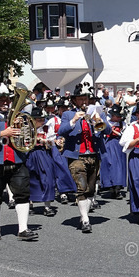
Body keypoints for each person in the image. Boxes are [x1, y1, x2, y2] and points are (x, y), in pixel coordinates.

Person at [0, 84, 38, 241]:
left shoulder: (20, 115)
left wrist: (23, 128)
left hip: (17, 160)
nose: (5, 101)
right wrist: (3, 133)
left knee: (22, 194)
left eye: (7, 99)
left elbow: (29, 134)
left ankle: (23, 229)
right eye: (1, 99)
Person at [58, 86, 102, 232]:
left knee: (90, 189)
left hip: (93, 155)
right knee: (81, 188)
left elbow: (106, 130)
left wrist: (98, 120)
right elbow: (61, 131)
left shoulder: (93, 113)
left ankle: (84, 216)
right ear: (74, 101)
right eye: (81, 99)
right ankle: (85, 219)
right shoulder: (68, 114)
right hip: (77, 156)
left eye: (85, 98)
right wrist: (74, 120)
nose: (84, 101)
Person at [25, 105, 58, 218]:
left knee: (48, 178)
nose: (42, 122)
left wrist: (44, 141)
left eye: (43, 119)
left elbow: (53, 143)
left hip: (43, 153)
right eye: (39, 120)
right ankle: (30, 204)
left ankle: (47, 206)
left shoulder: (46, 128)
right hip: (30, 154)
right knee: (30, 178)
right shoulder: (26, 129)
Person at [100, 105, 128, 199]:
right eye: (117, 116)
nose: (119, 118)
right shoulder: (106, 122)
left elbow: (123, 135)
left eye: (120, 116)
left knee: (118, 166)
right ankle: (109, 185)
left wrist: (113, 131)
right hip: (107, 144)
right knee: (108, 164)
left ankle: (117, 187)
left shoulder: (122, 124)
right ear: (112, 115)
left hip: (118, 145)